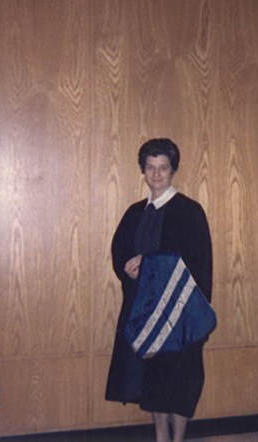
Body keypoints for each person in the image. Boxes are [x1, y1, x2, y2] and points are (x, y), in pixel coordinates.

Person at [105, 138, 213, 442]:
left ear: (172, 170)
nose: (156, 175)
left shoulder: (189, 212)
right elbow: (120, 253)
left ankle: (177, 440)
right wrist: (131, 266)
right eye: (150, 168)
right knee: (152, 381)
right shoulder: (135, 213)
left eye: (163, 168)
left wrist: (149, 262)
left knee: (179, 381)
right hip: (145, 311)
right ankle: (161, 438)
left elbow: (196, 260)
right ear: (143, 170)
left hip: (179, 313)